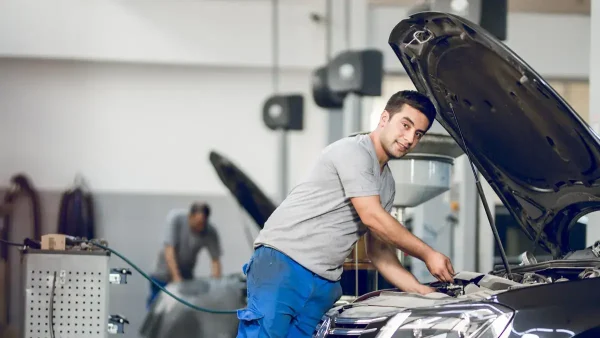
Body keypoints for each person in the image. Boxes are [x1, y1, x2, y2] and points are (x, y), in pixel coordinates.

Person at [236, 90, 456, 338]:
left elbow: (379, 251)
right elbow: (371, 216)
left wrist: (420, 290)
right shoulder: (354, 152)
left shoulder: (387, 185)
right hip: (284, 264)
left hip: (324, 283)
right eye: (405, 125)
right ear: (384, 119)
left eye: (418, 134)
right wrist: (428, 254)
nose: (409, 139)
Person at [146, 202, 223, 309]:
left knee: (183, 310)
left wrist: (216, 286)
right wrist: (176, 279)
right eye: (197, 223)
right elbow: (169, 250)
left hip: (186, 276)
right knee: (157, 308)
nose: (200, 228)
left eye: (203, 224)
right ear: (190, 216)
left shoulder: (210, 231)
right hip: (162, 275)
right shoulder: (175, 219)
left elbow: (215, 260)